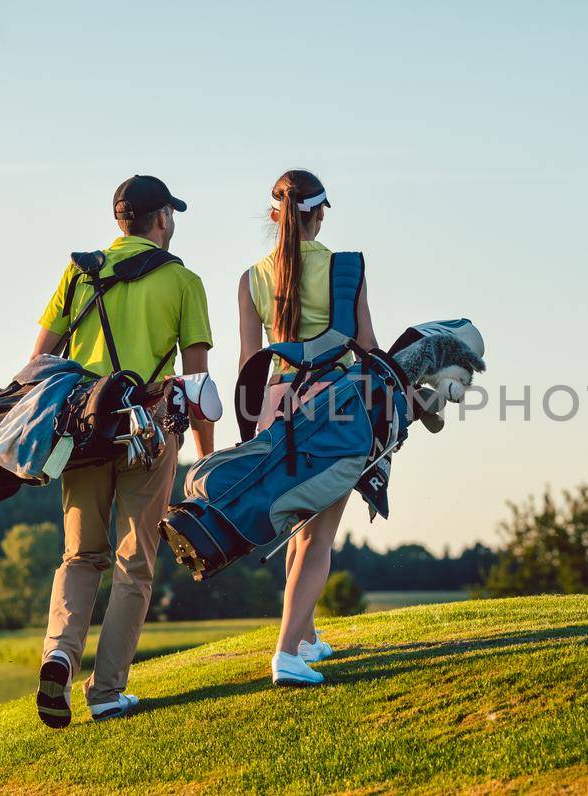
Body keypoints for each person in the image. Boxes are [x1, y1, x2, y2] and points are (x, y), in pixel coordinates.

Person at [29, 175, 216, 725]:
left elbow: (38, 363)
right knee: (133, 563)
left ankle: (59, 653)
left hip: (83, 431)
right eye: (171, 215)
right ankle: (107, 691)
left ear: (120, 222)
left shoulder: (78, 272)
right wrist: (203, 461)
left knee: (80, 555)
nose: (173, 223)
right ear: (160, 219)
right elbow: (196, 386)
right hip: (149, 431)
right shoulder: (183, 280)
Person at [238, 169, 376, 686]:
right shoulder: (347, 268)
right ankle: (286, 655)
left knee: (297, 525)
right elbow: (366, 345)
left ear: (276, 215)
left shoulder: (251, 277)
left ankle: (306, 638)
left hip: (277, 404)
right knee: (319, 537)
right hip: (335, 406)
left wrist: (251, 430)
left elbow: (250, 362)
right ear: (318, 214)